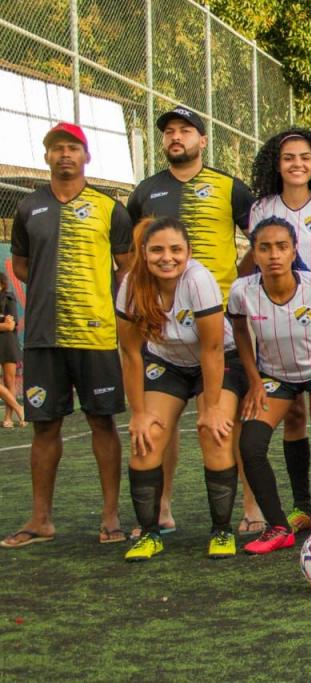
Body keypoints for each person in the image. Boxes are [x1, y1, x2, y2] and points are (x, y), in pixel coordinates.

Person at [126, 106, 260, 536]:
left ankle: (250, 507)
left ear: (202, 140)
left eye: (185, 130)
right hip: (165, 328)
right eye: (168, 131)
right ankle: (161, 508)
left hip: (217, 324)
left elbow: (261, 239)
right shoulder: (146, 190)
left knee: (220, 422)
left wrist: (237, 279)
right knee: (157, 424)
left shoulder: (229, 187)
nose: (175, 137)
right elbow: (132, 253)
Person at [2, 122, 131, 549]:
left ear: (86, 157)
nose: (64, 155)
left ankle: (111, 517)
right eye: (57, 148)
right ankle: (41, 520)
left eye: (73, 148)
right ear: (46, 157)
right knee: (44, 426)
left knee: (102, 420)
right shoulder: (28, 208)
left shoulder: (109, 208)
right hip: (42, 336)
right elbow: (20, 264)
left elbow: (126, 264)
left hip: (95, 335)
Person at [116, 217, 246, 560]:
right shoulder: (131, 284)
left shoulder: (198, 280)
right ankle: (149, 533)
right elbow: (130, 353)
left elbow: (213, 348)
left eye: (176, 249)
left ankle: (221, 530)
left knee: (213, 431)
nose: (166, 257)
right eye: (157, 249)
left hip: (216, 359)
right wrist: (139, 414)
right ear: (144, 253)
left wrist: (214, 406)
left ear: (188, 252)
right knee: (147, 438)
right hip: (167, 363)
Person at [228, 217, 311, 554]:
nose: (274, 255)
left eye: (282, 247)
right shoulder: (242, 292)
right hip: (274, 376)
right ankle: (281, 525)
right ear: (253, 253)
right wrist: (254, 381)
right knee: (251, 446)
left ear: (294, 249)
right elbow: (240, 331)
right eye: (264, 247)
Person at [248, 127, 311, 534]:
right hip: (277, 319)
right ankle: (300, 506)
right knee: (291, 417)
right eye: (289, 157)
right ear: (277, 162)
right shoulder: (262, 207)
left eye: (305, 157)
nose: (297, 164)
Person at [0, 272, 25, 427]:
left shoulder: (8, 298)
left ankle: (9, 418)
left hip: (8, 343)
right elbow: (5, 324)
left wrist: (5, 324)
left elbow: (11, 325)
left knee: (10, 381)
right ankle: (19, 408)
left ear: (2, 284)